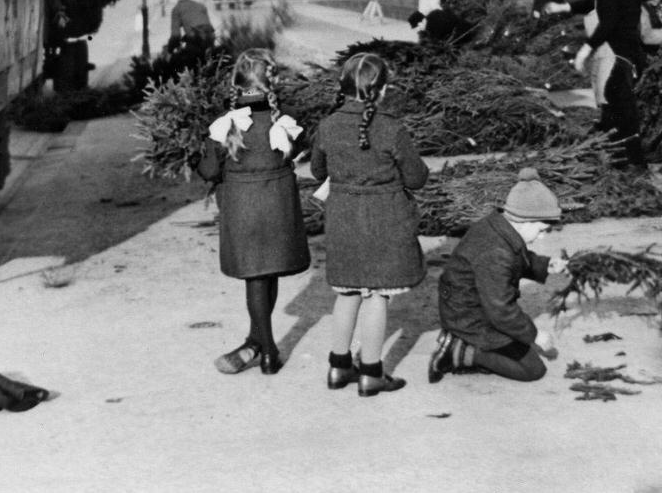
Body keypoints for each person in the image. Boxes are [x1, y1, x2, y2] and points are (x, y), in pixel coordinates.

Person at [310, 52, 429, 397]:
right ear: (384, 89)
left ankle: (338, 366)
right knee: (378, 293)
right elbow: (416, 177)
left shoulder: (327, 126)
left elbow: (319, 171)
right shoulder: (392, 128)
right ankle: (372, 372)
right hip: (386, 218)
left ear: (342, 87)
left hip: (343, 218)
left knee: (347, 290)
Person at [196, 49, 310, 376]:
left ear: (237, 82)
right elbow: (298, 153)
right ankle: (256, 341)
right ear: (271, 81)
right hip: (276, 204)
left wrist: (201, 154)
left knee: (254, 275)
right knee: (267, 271)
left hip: (243, 207)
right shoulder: (282, 120)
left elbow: (209, 170)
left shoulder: (227, 125)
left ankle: (268, 348)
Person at [428, 168, 569, 383]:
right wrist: (535, 335)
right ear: (524, 221)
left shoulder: (498, 227)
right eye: (541, 230)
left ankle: (465, 345)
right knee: (532, 370)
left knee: (520, 351)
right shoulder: (496, 253)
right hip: (469, 315)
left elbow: (517, 257)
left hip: (469, 303)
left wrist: (545, 265)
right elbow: (501, 310)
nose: (542, 237)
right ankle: (458, 350)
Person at [542, 0, 647, 171]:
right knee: (613, 107)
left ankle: (635, 163)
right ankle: (620, 161)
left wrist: (585, 50)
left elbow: (608, 21)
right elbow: (596, 3)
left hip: (618, 52)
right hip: (624, 50)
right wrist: (564, 8)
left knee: (618, 106)